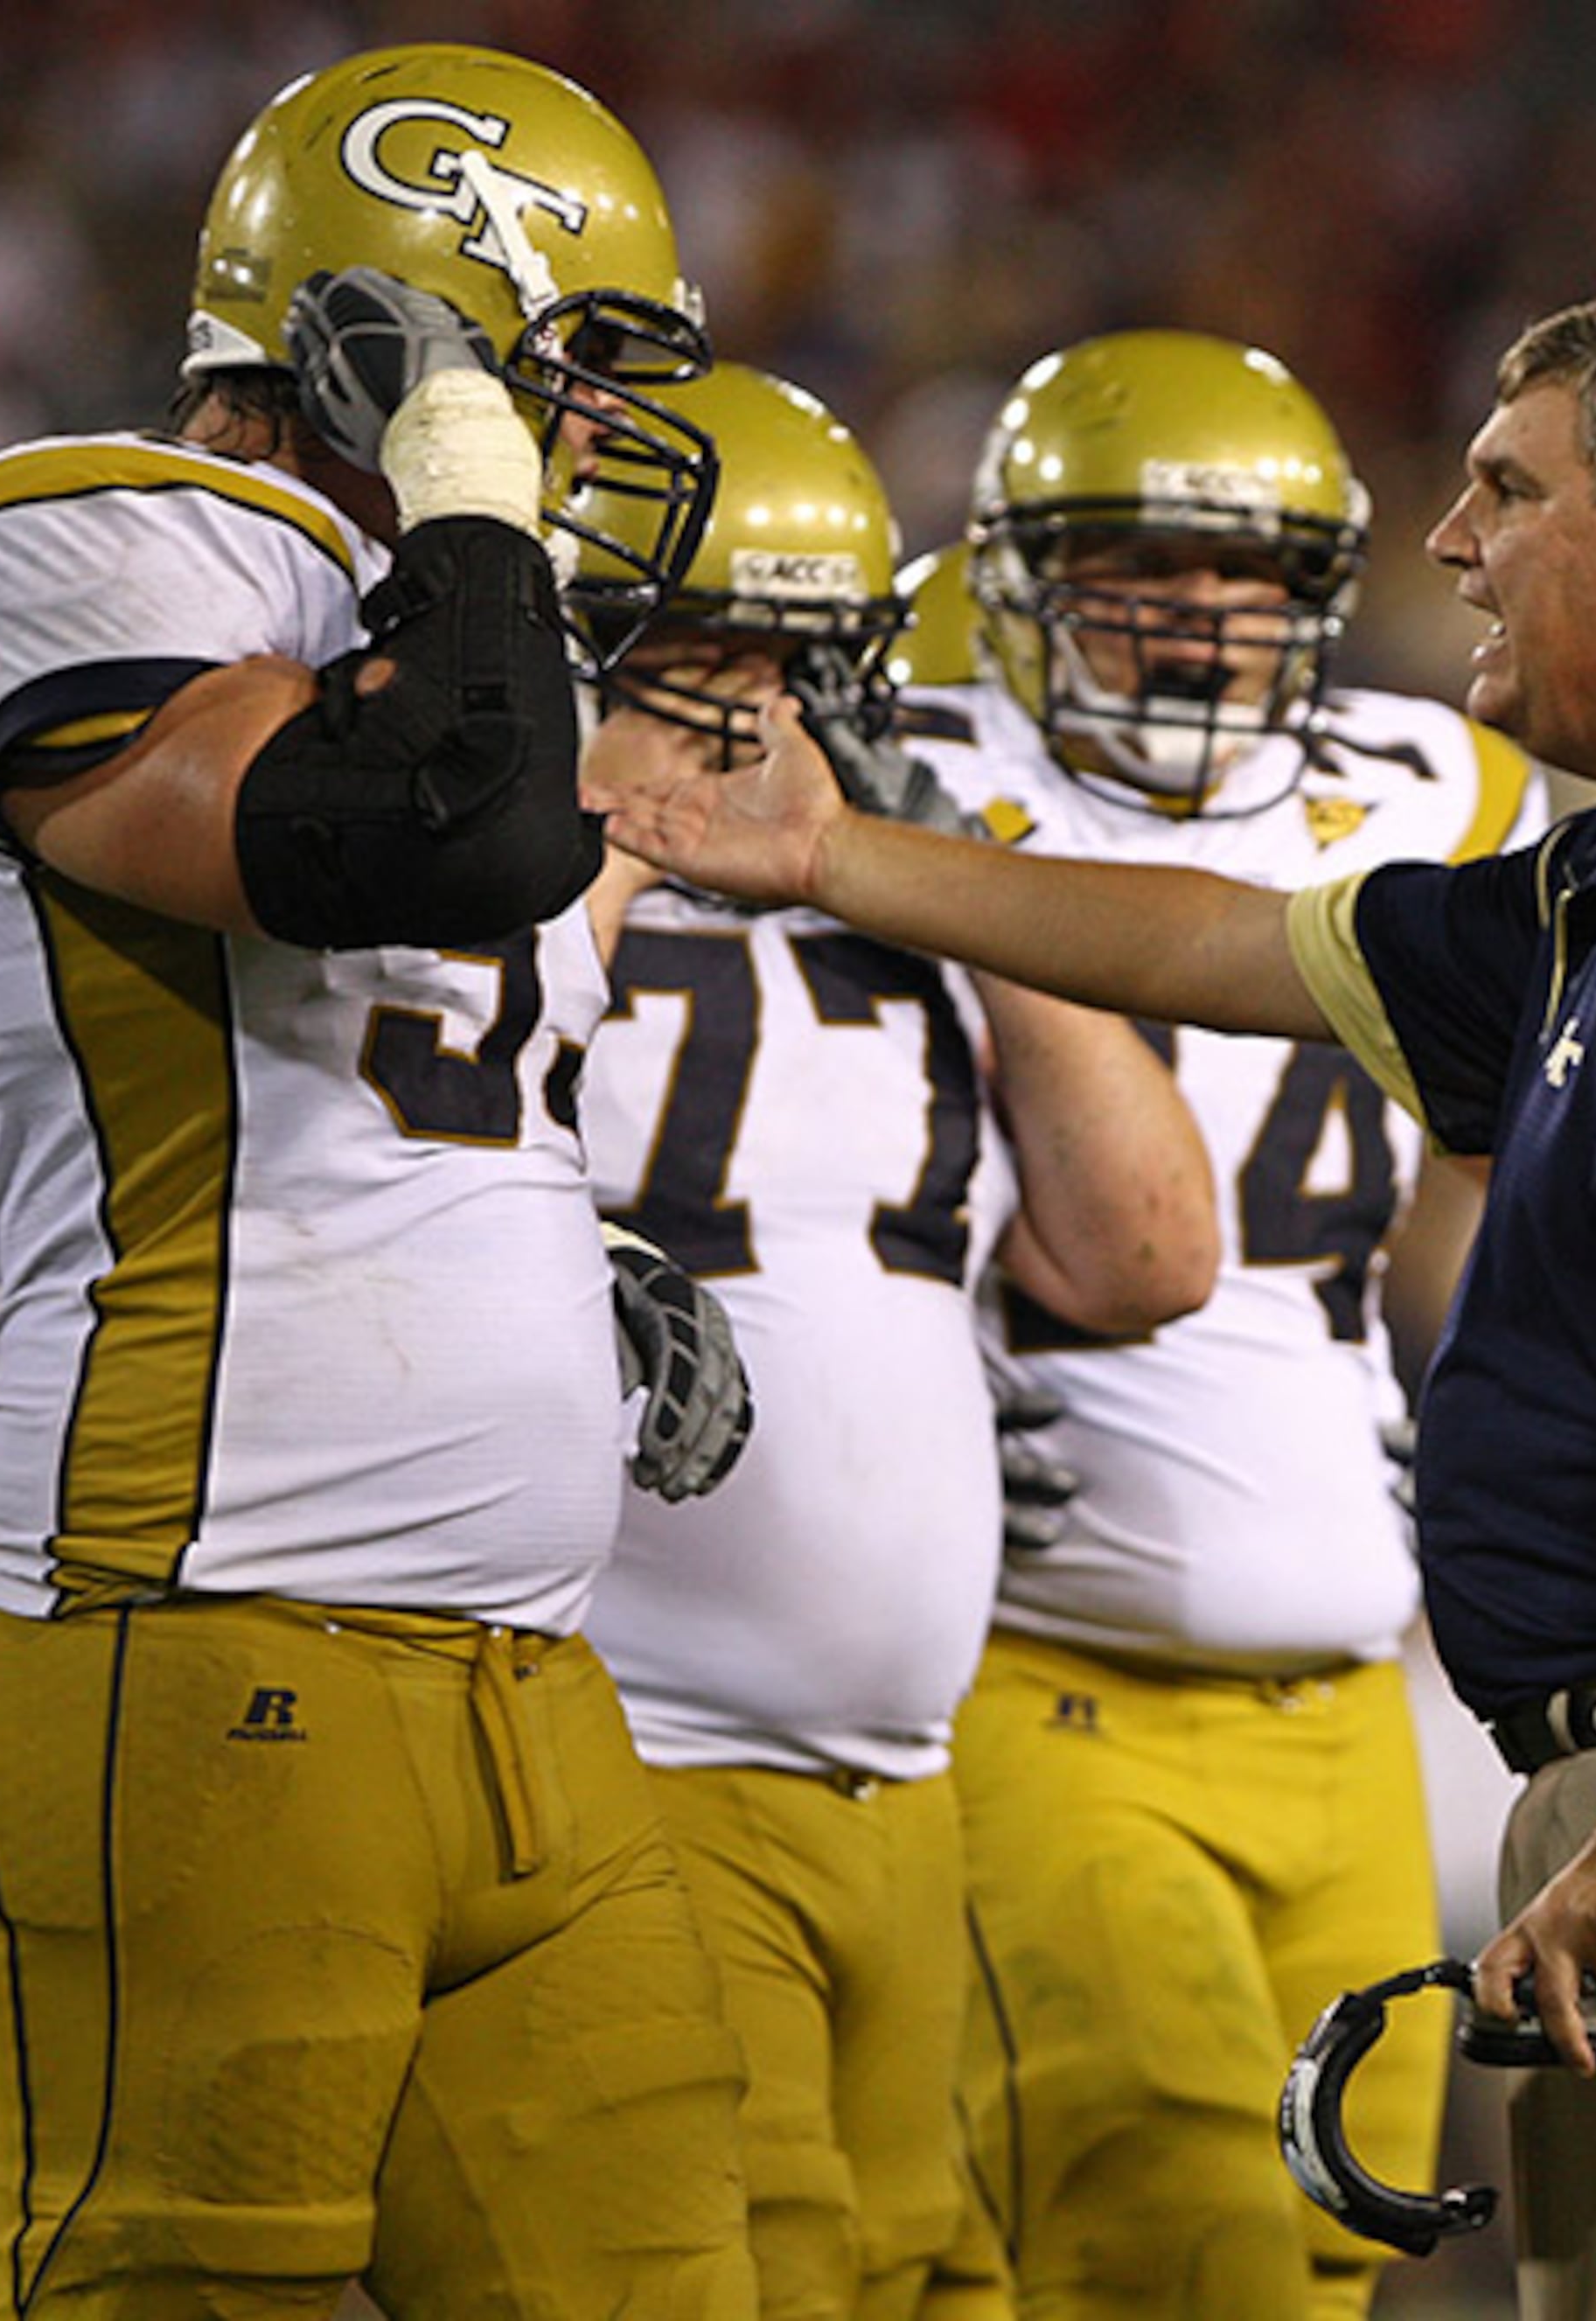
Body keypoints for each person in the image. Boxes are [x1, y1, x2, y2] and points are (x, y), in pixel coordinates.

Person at [586, 299, 1596, 2321]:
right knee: (1228, 2245)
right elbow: (1241, 950)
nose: (1452, 542)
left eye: (1507, 492)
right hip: (1205, 1666)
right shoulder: (1584, 875)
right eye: (1131, 569)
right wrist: (851, 847)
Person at [0, 44, 767, 2318]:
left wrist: (565, 1269)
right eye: (560, 374)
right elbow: (421, 840)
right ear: (391, 336)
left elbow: (392, 1053)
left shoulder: (433, 645)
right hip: (200, 1617)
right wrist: (459, 496)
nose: (591, 441)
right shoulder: (76, 531)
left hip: (529, 1683)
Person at [567, 363, 1222, 2319]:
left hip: (909, 1780)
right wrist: (597, 815)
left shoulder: (905, 899)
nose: (746, 705)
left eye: (790, 651)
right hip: (639, 1752)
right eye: (692, 652)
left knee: (934, 2277)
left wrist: (937, 880)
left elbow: (1149, 1249)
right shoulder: (499, 901)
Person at [917, 327, 1543, 2320]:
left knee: (1326, 2248)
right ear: (1023, 579)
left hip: (1356, 1680)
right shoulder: (927, 774)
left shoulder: (1440, 780)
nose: (1199, 623)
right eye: (1141, 570)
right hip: (1050, 1662)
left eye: (1248, 577)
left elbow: (1486, 1176)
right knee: (1168, 2241)